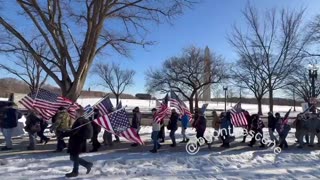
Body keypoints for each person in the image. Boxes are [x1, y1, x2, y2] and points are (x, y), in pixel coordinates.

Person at [62, 107, 93, 178]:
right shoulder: (82, 120)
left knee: (74, 157)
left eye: (76, 112)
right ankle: (86, 165)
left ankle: (76, 171)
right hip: (78, 141)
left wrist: (64, 134)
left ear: (79, 113)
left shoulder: (80, 121)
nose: (75, 113)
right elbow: (75, 130)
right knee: (73, 157)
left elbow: (74, 132)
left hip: (77, 142)